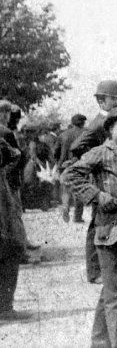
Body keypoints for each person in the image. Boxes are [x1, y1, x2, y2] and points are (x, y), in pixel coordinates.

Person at [63, 106, 117, 348]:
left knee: (112, 292)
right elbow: (70, 175)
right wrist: (98, 196)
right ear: (110, 130)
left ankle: (100, 343)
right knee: (116, 297)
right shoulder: (101, 152)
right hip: (109, 231)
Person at [71, 80, 117, 284]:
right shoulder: (98, 124)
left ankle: (101, 268)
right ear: (101, 101)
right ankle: (94, 272)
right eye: (113, 98)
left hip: (107, 178)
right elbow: (77, 147)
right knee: (96, 224)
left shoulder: (110, 120)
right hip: (101, 181)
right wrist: (96, 160)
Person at [0, 100, 30, 322]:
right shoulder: (3, 132)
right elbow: (16, 156)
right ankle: (4, 307)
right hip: (4, 196)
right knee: (11, 245)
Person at [57, 114, 88, 223]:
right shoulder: (86, 133)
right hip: (80, 164)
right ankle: (77, 216)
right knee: (79, 189)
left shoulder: (63, 134)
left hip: (64, 164)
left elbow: (56, 151)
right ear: (83, 122)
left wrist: (59, 163)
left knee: (65, 189)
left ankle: (65, 207)